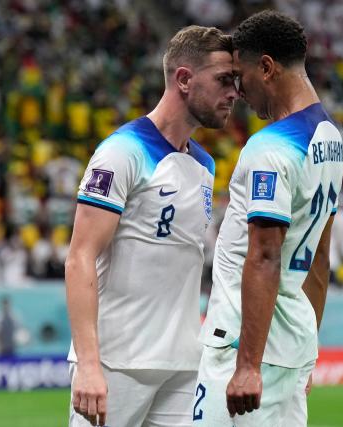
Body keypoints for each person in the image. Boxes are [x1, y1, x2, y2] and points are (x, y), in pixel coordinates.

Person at [65, 26, 238, 427]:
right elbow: (79, 258)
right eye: (223, 80)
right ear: (183, 79)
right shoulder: (121, 153)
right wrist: (90, 365)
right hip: (118, 362)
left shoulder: (205, 166)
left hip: (182, 364)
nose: (234, 93)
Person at [194, 11, 343, 426]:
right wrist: (307, 346)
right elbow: (320, 258)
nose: (238, 90)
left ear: (266, 67)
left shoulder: (269, 149)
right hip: (292, 345)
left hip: (246, 345)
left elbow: (264, 256)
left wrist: (247, 366)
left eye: (240, 76)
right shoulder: (330, 138)